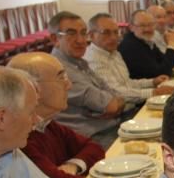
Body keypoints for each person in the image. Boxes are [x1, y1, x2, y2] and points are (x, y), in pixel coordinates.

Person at [8, 52, 105, 178]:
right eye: (61, 78)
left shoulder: (47, 124)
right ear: (33, 88)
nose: (69, 85)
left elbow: (95, 148)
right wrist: (69, 174)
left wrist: (72, 166)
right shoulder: (22, 138)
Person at [49, 11, 126, 149]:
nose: (80, 40)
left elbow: (115, 94)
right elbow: (111, 105)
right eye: (71, 33)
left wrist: (114, 103)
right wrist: (113, 104)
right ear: (55, 39)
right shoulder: (58, 70)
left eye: (83, 33)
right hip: (91, 140)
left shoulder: (79, 62)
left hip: (109, 128)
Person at [84, 13, 173, 109]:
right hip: (120, 116)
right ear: (91, 35)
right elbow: (114, 92)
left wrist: (152, 82)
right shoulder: (93, 59)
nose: (114, 37)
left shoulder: (114, 53)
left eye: (115, 32)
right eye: (106, 32)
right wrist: (153, 92)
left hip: (131, 108)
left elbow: (127, 83)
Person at [118, 9, 174, 79]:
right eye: (142, 25)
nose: (147, 29)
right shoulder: (130, 46)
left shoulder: (146, 40)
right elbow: (160, 73)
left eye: (150, 24)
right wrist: (171, 46)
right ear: (131, 27)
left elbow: (169, 63)